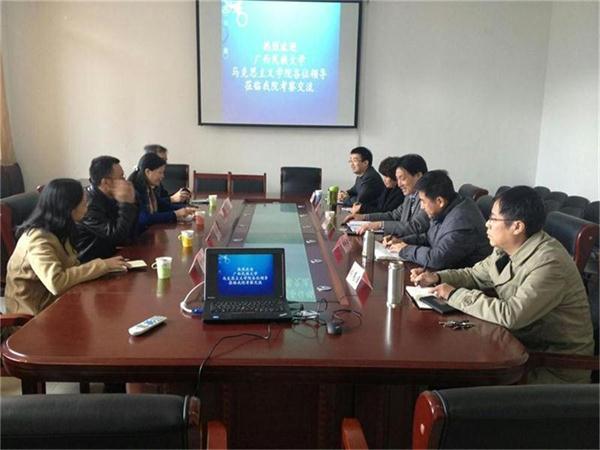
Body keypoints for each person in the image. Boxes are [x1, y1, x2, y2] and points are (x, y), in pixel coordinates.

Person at [411, 186, 594, 384]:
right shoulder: (507, 248)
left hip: (551, 368)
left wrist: (454, 295)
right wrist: (437, 277)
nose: (487, 224)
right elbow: (474, 275)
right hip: (519, 346)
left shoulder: (550, 263)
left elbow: (511, 315)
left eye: (493, 219)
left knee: (450, 372)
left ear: (517, 227)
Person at [4, 179, 128, 316]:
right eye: (83, 203)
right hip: (33, 316)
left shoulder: (60, 228)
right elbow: (56, 283)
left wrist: (106, 267)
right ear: (69, 208)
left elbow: (71, 266)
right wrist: (102, 265)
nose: (87, 206)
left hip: (58, 303)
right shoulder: (38, 239)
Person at [387, 170, 491, 269]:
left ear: (440, 201)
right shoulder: (448, 207)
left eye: (423, 201)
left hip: (462, 277)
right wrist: (402, 241)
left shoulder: (462, 223)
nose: (422, 207)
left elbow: (437, 259)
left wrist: (405, 249)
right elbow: (429, 237)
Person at [346, 154, 430, 238]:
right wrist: (364, 217)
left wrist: (380, 225)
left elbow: (416, 226)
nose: (399, 184)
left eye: (402, 178)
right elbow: (393, 215)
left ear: (418, 176)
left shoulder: (428, 198)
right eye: (397, 179)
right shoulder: (410, 196)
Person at [76, 156, 138, 262]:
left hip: (111, 257)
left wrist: (132, 201)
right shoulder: (88, 204)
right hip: (93, 263)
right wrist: (126, 203)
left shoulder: (111, 196)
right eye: (121, 177)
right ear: (106, 182)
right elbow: (117, 237)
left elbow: (132, 233)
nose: (125, 181)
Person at [128, 153, 196, 232]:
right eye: (160, 172)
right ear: (148, 172)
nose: (163, 176)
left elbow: (163, 206)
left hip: (152, 231)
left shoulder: (149, 188)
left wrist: (186, 209)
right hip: (140, 236)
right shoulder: (135, 190)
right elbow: (145, 218)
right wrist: (176, 214)